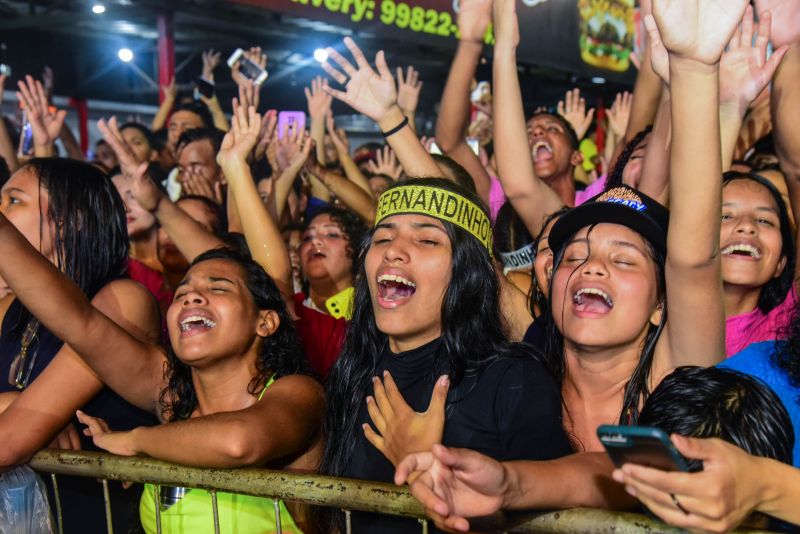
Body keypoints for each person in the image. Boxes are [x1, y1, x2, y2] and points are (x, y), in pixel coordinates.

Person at [317, 38, 572, 532]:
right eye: (384, 237)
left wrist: (430, 468)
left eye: (428, 241)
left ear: (467, 274)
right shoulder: (352, 374)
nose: (395, 250)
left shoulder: (512, 379)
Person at [0, 158, 325, 532]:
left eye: (217, 288)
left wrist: (138, 441)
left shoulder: (299, 393)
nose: (191, 299)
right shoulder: (173, 398)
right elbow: (82, 324)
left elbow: (239, 441)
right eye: (183, 292)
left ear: (265, 321)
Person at [0, 158, 160, 533]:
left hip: (95, 518)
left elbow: (8, 442)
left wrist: (25, 419)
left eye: (14, 200)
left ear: (69, 219)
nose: (1, 211)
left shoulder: (120, 302)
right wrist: (12, 404)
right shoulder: (9, 307)